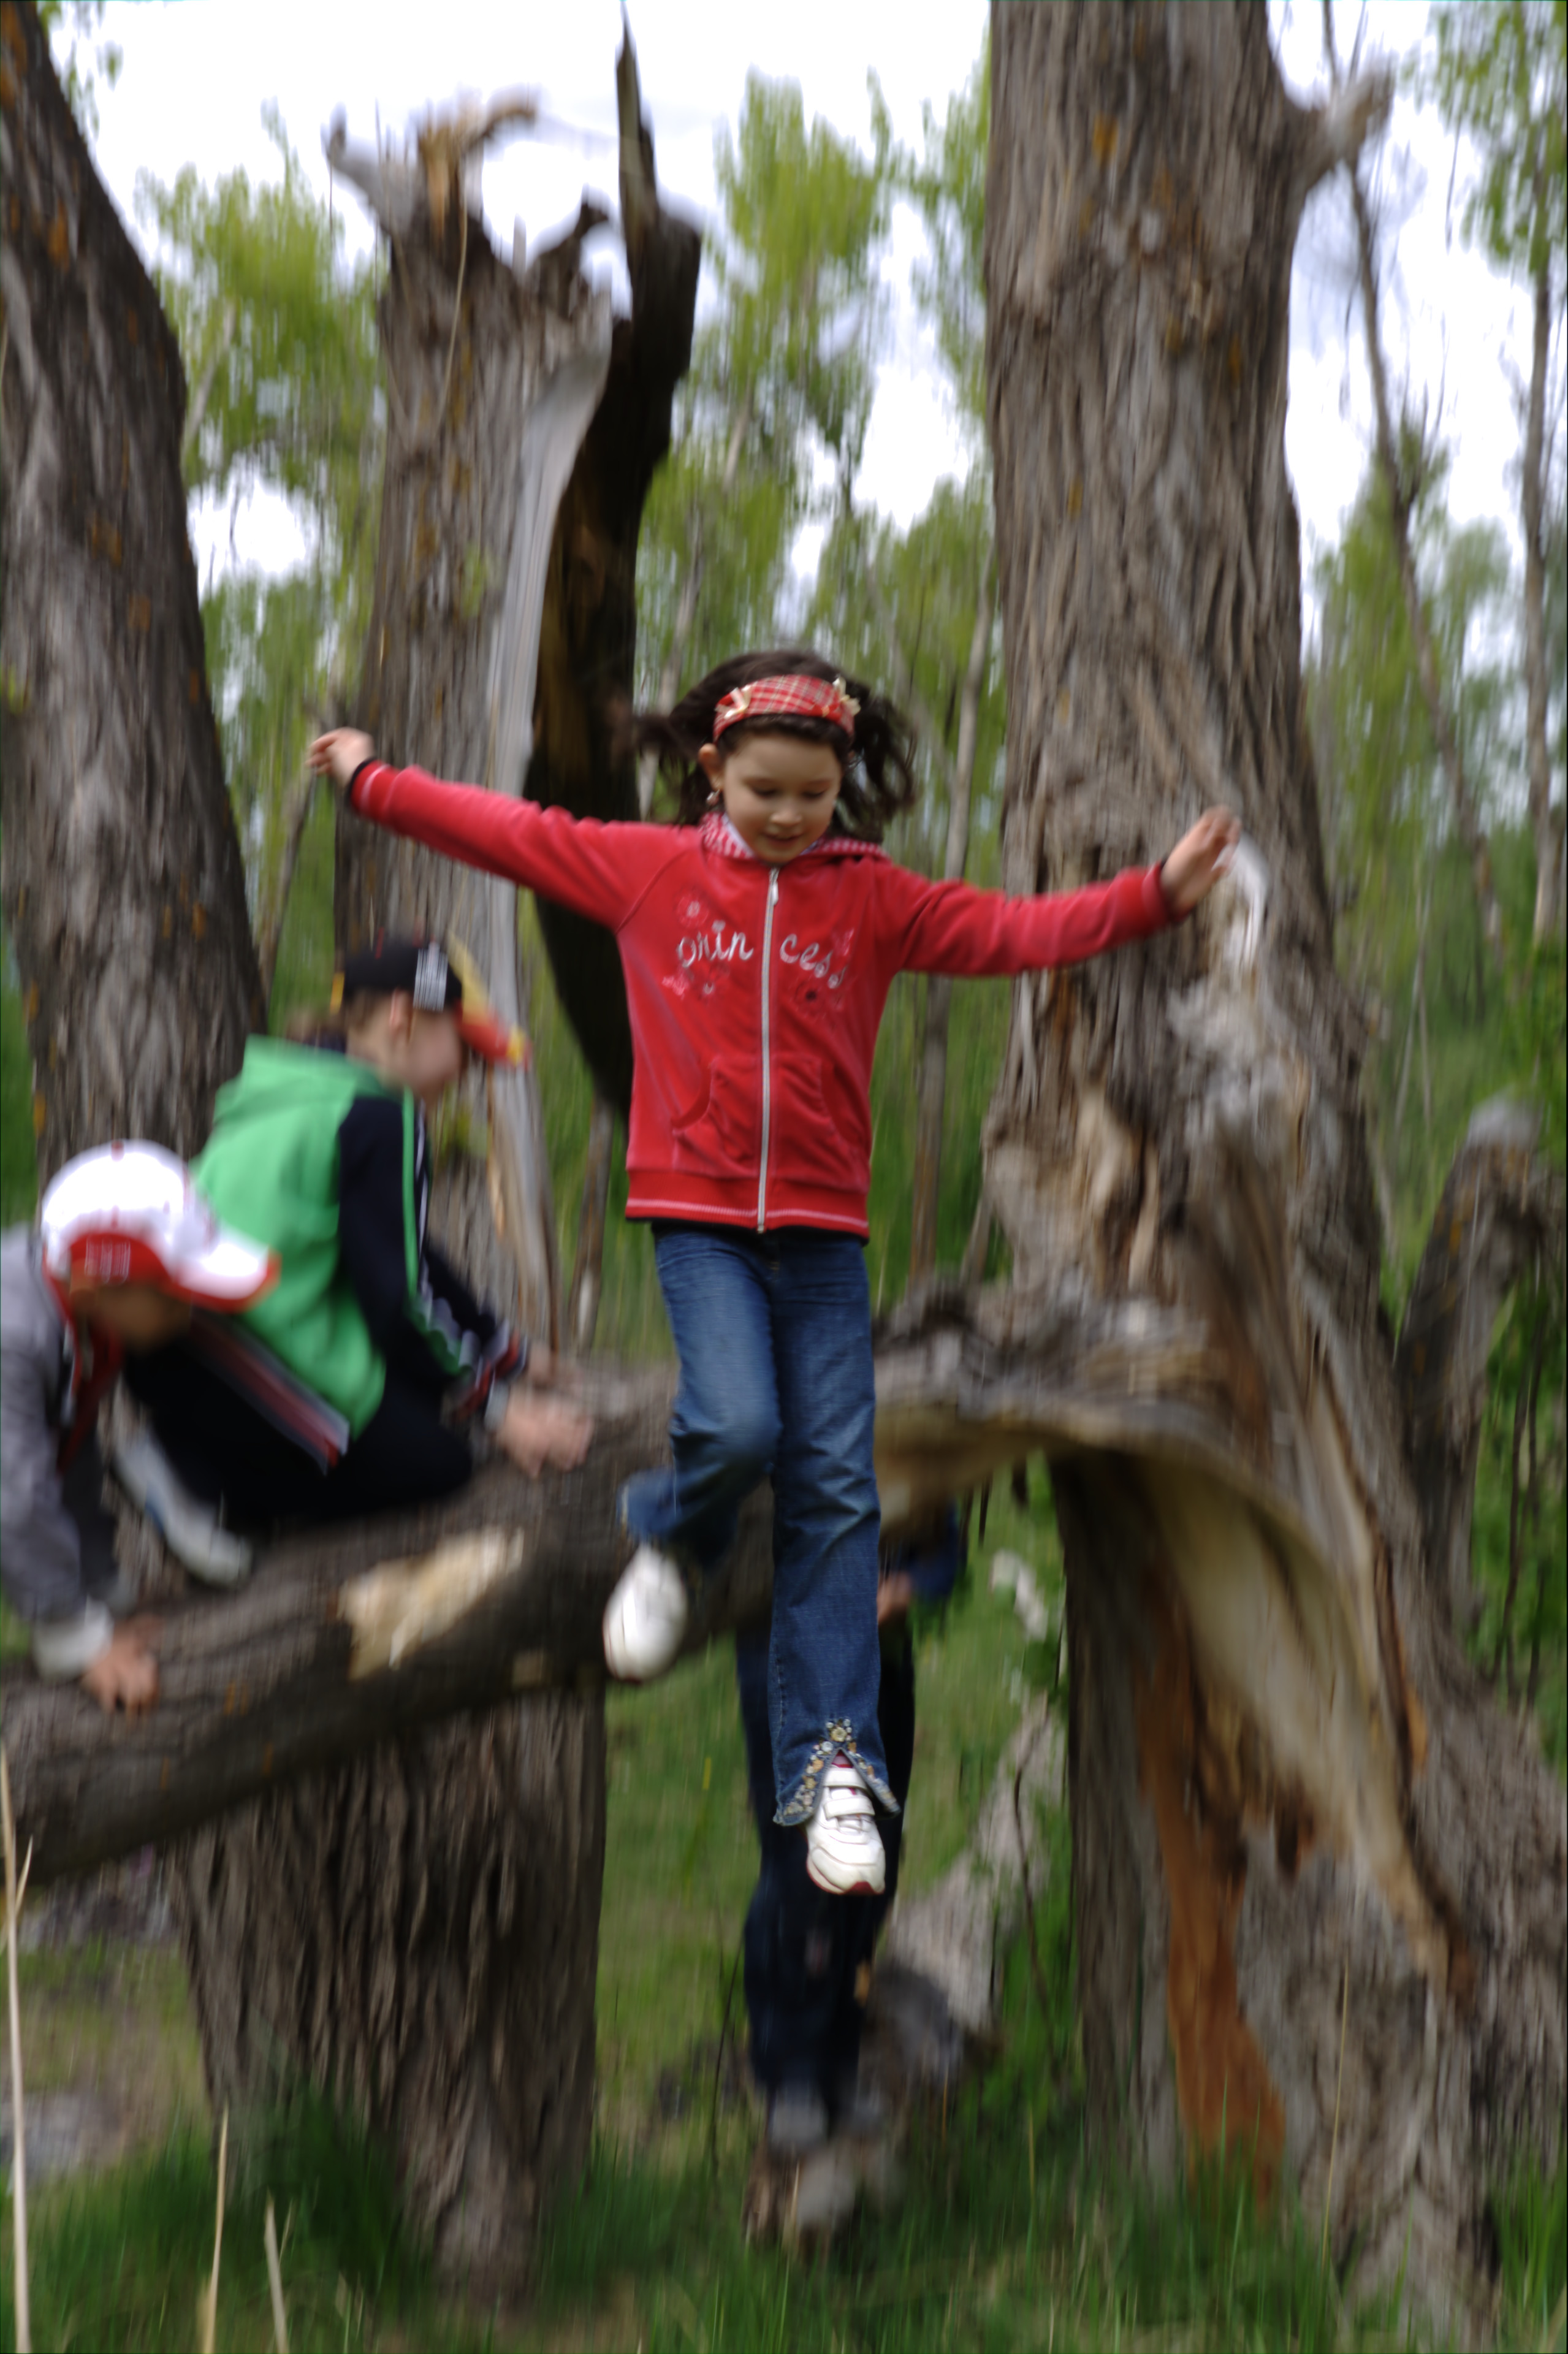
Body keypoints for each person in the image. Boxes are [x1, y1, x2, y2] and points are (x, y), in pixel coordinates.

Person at [306, 650, 1238, 1899]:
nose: (789, 815)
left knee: (838, 1490)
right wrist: (374, 783)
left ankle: (834, 1774)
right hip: (697, 1221)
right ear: (712, 773)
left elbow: (1014, 933)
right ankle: (669, 1538)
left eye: (812, 794)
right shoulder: (648, 872)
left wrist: (1153, 897)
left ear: (840, 786)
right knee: (739, 1424)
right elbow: (507, 833)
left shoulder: (872, 900)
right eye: (763, 793)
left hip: (820, 1235)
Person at [119, 931, 591, 1539]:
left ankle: (226, 1485)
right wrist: (498, 1410)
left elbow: (405, 1254)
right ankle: (197, 1475)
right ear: (403, 1018)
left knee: (414, 1406)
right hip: (247, 1361)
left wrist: (504, 1353)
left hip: (166, 1347)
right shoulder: (382, 1116)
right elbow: (397, 1302)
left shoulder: (285, 1091)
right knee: (443, 1462)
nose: (469, 1074)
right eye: (466, 1049)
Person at [1, 1141, 279, 1713]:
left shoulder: (80, 1323)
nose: (188, 1310)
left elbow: (69, 1456)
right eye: (173, 1296)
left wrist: (102, 1591)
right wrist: (74, 1636)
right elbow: (17, 1494)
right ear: (94, 1284)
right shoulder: (15, 1338)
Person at [738, 1507, 964, 2158]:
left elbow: (944, 1541)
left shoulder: (904, 1451)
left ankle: (839, 2063)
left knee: (872, 1868)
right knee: (802, 1873)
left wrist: (907, 1587)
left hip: (880, 1663)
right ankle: (790, 2077)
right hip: (791, 1655)